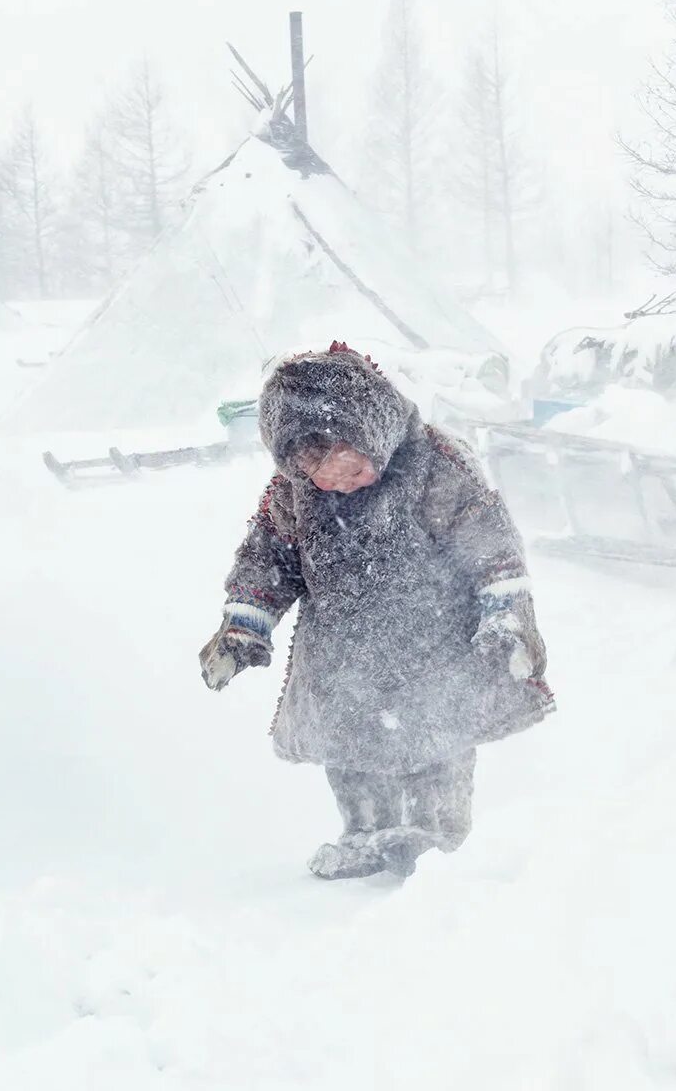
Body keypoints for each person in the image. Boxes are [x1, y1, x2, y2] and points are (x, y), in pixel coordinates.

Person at [200, 343, 555, 879]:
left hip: (433, 643)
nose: (329, 478)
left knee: (434, 741)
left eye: (340, 460)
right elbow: (269, 555)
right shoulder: (295, 491)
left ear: (370, 430)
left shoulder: (433, 462)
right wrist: (244, 624)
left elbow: (490, 544)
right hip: (341, 657)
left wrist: (507, 614)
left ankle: (438, 841)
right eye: (309, 465)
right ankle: (365, 835)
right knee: (351, 751)